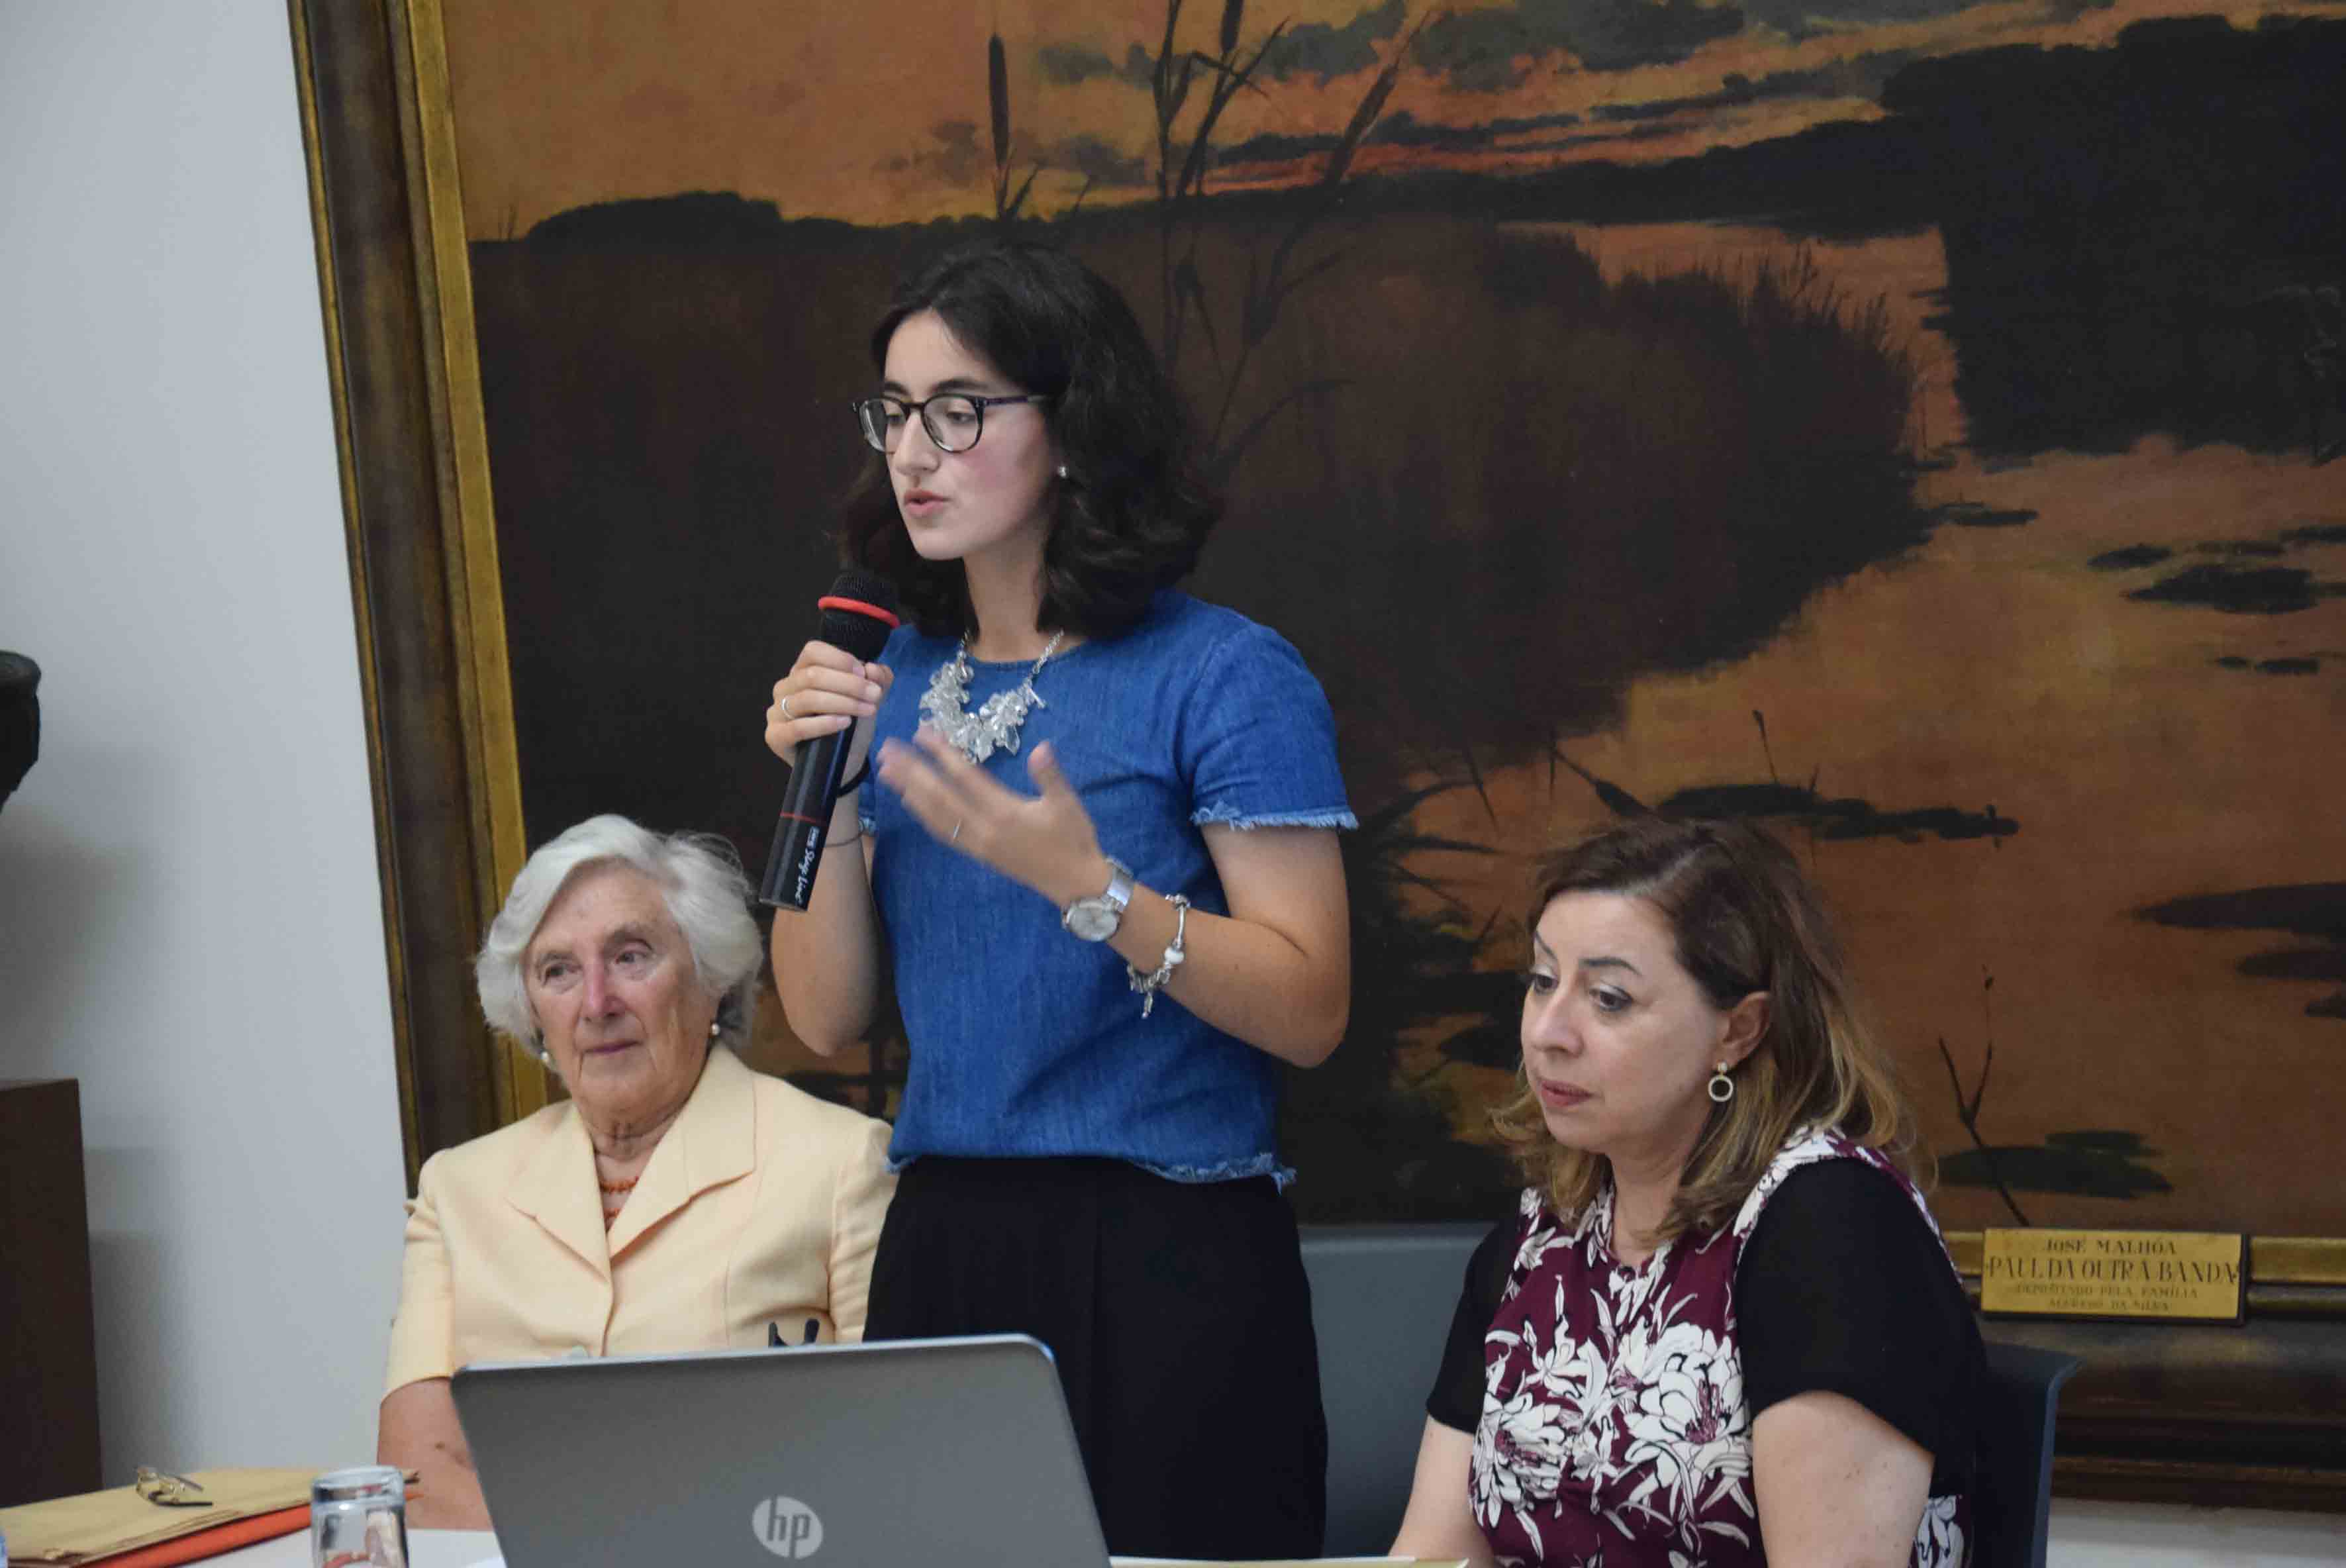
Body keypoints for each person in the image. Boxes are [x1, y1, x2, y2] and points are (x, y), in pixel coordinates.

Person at [763, 239, 1353, 1558]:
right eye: (895, 412)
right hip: (944, 1249)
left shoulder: (1223, 674)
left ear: (1074, 431)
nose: (913, 451)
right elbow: (824, 1013)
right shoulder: (888, 672)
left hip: (1166, 1249)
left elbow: (1310, 1005)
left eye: (959, 410)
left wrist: (1092, 890)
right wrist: (840, 788)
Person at [1391, 818, 1983, 1568]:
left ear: (1738, 1030)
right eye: (1543, 981)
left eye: (1608, 998)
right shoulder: (1543, 1233)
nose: (1548, 1030)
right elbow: (1434, 1556)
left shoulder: (1833, 1228)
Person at [377, 815, 897, 1528]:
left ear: (710, 977)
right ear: (532, 1012)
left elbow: (893, 1454)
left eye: (630, 956)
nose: (597, 1004)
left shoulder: (841, 1162)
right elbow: (418, 1476)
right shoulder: (457, 1189)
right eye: (558, 971)